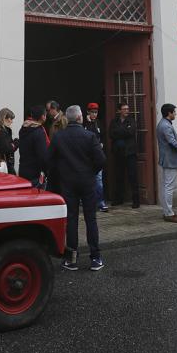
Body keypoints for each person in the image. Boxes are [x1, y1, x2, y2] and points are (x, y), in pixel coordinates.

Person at [48, 104, 106, 271]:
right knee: (91, 219)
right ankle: (95, 258)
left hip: (68, 182)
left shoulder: (59, 137)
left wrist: (60, 174)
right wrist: (91, 172)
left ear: (68, 118)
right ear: (80, 117)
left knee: (71, 220)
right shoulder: (90, 136)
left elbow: (49, 160)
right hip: (87, 181)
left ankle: (72, 259)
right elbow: (101, 160)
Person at [156, 103, 177, 223]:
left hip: (168, 159)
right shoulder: (165, 125)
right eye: (174, 112)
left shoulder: (164, 123)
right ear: (169, 113)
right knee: (168, 187)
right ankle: (168, 213)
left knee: (166, 186)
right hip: (170, 160)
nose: (175, 114)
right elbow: (173, 143)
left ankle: (168, 211)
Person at [108, 101, 140, 208]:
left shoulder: (132, 120)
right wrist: (124, 131)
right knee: (119, 176)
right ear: (119, 110)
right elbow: (111, 134)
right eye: (124, 109)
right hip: (118, 153)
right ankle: (118, 199)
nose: (127, 111)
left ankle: (136, 201)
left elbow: (131, 132)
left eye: (127, 109)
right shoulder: (114, 121)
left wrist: (119, 132)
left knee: (133, 177)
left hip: (130, 153)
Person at [84, 102, 108, 212]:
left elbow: (102, 135)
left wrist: (102, 143)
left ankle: (100, 202)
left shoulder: (99, 123)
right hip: (87, 157)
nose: (94, 114)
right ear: (88, 112)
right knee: (87, 181)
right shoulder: (84, 123)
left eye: (96, 112)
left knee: (98, 181)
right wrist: (89, 123)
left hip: (97, 156)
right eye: (92, 112)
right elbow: (88, 135)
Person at [18, 104, 49, 187]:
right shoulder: (39, 131)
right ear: (42, 116)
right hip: (35, 173)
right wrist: (46, 171)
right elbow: (43, 156)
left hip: (23, 169)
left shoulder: (23, 129)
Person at [0, 107, 19, 175]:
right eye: (10, 119)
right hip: (5, 165)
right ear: (4, 118)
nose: (12, 121)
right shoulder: (2, 132)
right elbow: (8, 149)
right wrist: (16, 142)